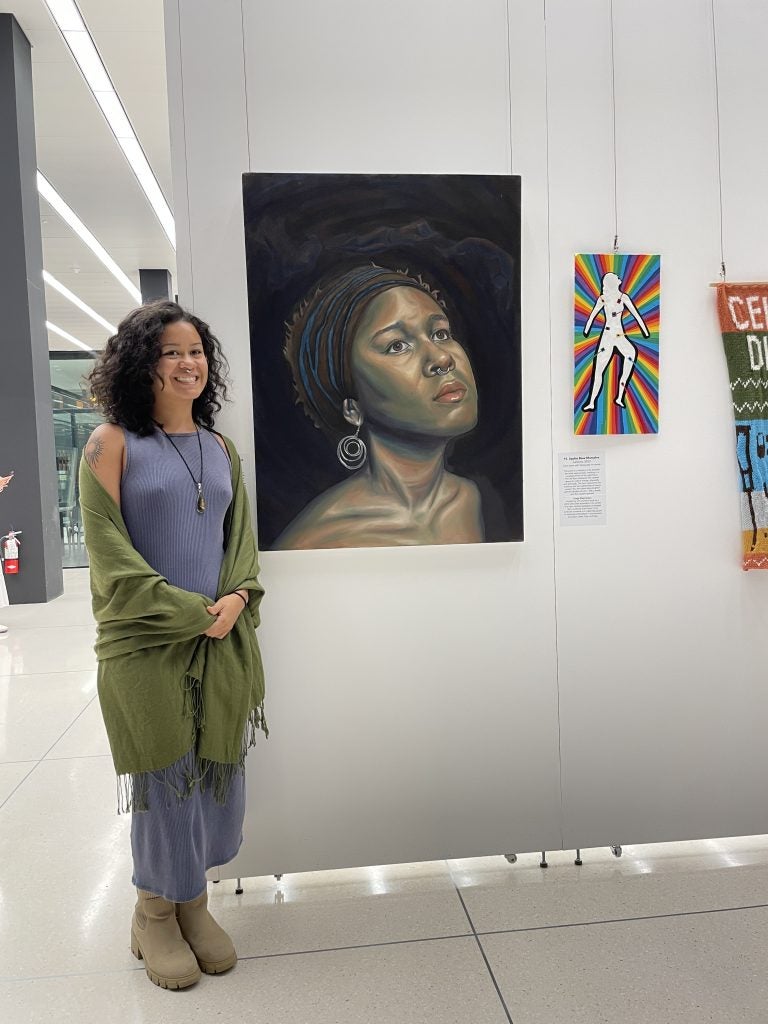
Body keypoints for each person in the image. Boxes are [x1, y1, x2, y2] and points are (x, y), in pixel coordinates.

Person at [80, 299, 266, 990]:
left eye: (197, 351)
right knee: (167, 782)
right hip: (144, 649)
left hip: (220, 643)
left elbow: (240, 542)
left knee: (216, 781)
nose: (189, 363)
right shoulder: (111, 444)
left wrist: (238, 598)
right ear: (142, 363)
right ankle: (153, 912)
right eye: (171, 352)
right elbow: (110, 560)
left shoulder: (220, 449)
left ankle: (193, 903)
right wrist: (192, 612)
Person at [277, 264, 483, 549]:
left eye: (440, 333)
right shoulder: (317, 540)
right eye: (397, 346)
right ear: (352, 407)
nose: (442, 358)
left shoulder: (473, 500)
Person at [581, 271, 650, 411]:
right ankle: (591, 401)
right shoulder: (603, 299)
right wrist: (586, 329)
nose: (620, 278)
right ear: (613, 282)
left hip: (619, 336)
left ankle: (619, 396)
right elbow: (592, 315)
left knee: (631, 353)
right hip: (607, 335)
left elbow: (636, 315)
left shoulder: (624, 298)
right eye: (617, 278)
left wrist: (645, 331)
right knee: (599, 368)